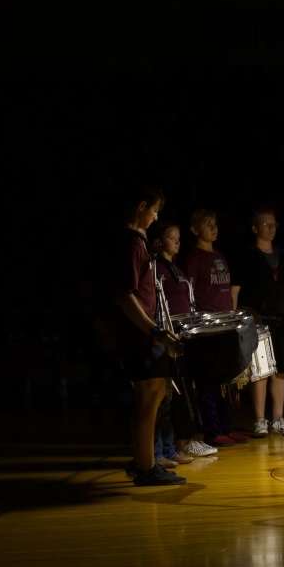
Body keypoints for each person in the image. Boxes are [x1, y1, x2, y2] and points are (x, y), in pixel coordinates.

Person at [109, 186, 185, 486]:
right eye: (154, 211)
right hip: (139, 335)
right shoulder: (131, 243)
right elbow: (125, 295)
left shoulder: (136, 242)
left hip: (142, 333)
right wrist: (153, 330)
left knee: (152, 396)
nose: (156, 218)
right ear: (141, 207)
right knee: (149, 396)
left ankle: (145, 460)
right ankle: (145, 466)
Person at [231, 205, 284, 436]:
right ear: (255, 228)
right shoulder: (247, 256)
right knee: (261, 370)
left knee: (281, 369)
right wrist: (234, 320)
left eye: (274, 224)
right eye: (266, 224)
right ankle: (260, 420)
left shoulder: (283, 255)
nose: (271, 228)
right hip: (258, 319)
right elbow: (235, 290)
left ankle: (278, 418)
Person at [178, 209, 247, 446]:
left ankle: (227, 426)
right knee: (208, 380)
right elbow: (188, 291)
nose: (214, 228)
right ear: (195, 230)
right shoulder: (193, 258)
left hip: (226, 325)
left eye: (215, 224)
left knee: (227, 380)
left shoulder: (219, 255)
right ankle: (212, 430)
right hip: (207, 329)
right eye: (208, 224)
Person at [151, 220, 218, 463]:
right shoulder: (156, 268)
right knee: (167, 398)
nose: (177, 241)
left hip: (181, 337)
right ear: (159, 242)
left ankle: (174, 447)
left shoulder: (175, 269)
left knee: (182, 394)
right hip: (165, 338)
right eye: (172, 237)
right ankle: (163, 450)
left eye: (178, 237)